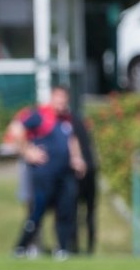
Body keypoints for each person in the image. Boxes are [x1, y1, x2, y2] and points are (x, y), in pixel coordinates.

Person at [6, 85, 86, 260]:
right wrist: (27, 151)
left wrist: (77, 158)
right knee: (38, 211)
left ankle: (62, 248)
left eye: (64, 98)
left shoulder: (66, 120)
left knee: (66, 211)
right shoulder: (39, 115)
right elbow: (16, 128)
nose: (61, 102)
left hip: (65, 174)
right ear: (52, 98)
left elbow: (72, 141)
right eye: (58, 97)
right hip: (44, 173)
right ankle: (22, 247)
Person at [69, 111, 99, 254]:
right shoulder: (72, 123)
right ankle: (75, 247)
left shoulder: (75, 122)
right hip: (80, 173)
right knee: (76, 212)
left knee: (88, 213)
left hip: (88, 173)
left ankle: (88, 248)